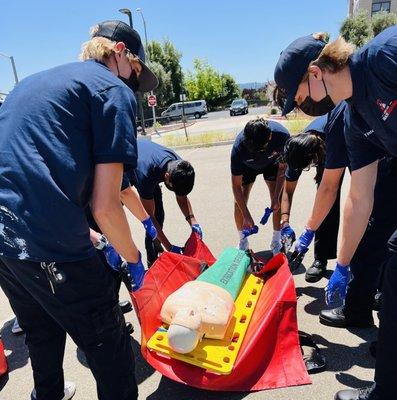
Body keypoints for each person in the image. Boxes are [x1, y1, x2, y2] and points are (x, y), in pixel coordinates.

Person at [0, 20, 158, 400]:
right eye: (136, 72)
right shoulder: (111, 90)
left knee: (40, 328)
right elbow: (106, 205)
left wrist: (85, 232)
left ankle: (48, 394)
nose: (134, 84)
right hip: (53, 252)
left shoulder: (35, 84)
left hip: (5, 242)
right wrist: (133, 260)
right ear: (120, 53)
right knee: (109, 344)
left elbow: (28, 171)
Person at [274, 27, 397, 400]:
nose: (301, 109)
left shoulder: (382, 58)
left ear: (315, 72)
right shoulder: (354, 119)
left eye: (298, 99)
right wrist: (341, 266)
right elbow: (358, 197)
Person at [281, 102, 346, 282]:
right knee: (325, 205)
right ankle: (321, 258)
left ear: (313, 160)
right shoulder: (299, 147)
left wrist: (307, 233)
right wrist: (284, 221)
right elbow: (288, 190)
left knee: (361, 201)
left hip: (352, 142)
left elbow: (330, 188)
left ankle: (362, 265)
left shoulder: (329, 140)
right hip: (325, 150)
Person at [121, 139, 201, 266]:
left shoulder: (180, 165)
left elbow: (181, 196)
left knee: (159, 214)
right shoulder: (146, 176)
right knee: (146, 220)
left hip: (150, 165)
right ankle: (151, 260)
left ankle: (157, 247)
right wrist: (169, 247)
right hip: (126, 165)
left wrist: (193, 221)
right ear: (167, 176)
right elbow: (148, 217)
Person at [231, 118, 289, 254]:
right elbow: (236, 186)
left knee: (278, 201)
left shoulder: (282, 137)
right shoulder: (238, 148)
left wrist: (275, 197)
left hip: (272, 164)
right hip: (247, 167)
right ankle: (243, 241)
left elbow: (282, 169)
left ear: (269, 137)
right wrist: (246, 214)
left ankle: (276, 241)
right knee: (239, 204)